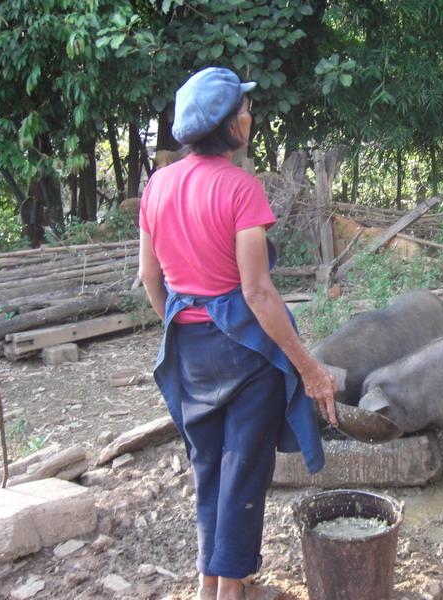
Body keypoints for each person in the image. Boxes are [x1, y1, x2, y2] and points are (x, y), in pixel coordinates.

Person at [138, 67, 338, 600]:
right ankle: (231, 592)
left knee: (208, 466)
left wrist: (182, 324)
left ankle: (210, 584)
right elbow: (259, 293)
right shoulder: (241, 189)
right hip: (246, 354)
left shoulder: (157, 186)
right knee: (244, 470)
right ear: (231, 128)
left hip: (189, 350)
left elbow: (149, 277)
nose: (249, 116)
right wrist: (310, 368)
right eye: (242, 111)